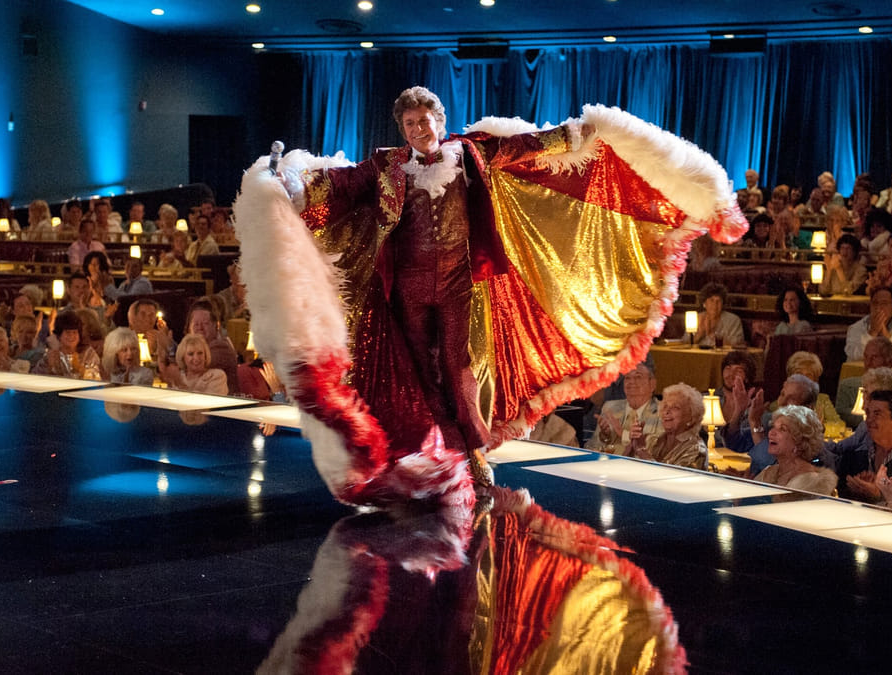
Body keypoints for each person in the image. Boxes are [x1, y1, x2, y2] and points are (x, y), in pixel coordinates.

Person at [237, 85, 745, 505]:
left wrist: (574, 135)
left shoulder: (469, 153)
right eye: (409, 124)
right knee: (420, 372)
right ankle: (436, 455)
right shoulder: (387, 165)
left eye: (424, 120)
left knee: (460, 369)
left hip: (458, 283)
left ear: (439, 120)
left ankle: (474, 453)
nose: (418, 130)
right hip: (407, 287)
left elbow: (525, 147)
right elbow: (343, 185)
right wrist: (292, 188)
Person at [830, 389, 892, 503]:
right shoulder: (852, 455)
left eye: (877, 414)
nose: (869, 420)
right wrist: (856, 489)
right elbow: (840, 495)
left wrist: (878, 495)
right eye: (868, 413)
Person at [835, 340, 892, 428]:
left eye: (874, 357)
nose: (868, 362)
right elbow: (841, 415)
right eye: (866, 357)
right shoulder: (848, 385)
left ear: (890, 361)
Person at [755, 405, 837, 495]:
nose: (771, 433)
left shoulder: (809, 482)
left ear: (800, 441)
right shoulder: (769, 472)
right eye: (773, 427)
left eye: (782, 429)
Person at [624, 383, 708, 470]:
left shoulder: (696, 449)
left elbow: (670, 477)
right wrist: (633, 443)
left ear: (691, 417)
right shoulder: (652, 440)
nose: (666, 411)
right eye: (665, 406)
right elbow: (624, 467)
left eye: (675, 407)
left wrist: (642, 451)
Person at [584, 362, 661, 455]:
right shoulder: (610, 407)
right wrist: (604, 436)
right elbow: (592, 446)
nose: (631, 382)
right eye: (627, 378)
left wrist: (624, 434)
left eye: (638, 377)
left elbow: (658, 450)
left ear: (652, 384)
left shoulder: (662, 411)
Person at [844, 287, 892, 363]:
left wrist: (886, 335)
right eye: (875, 303)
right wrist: (872, 333)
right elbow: (855, 356)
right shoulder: (855, 328)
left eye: (884, 303)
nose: (878, 308)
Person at [182, 300, 239, 394]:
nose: (200, 328)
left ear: (216, 325)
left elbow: (186, 366)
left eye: (205, 323)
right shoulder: (192, 347)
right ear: (189, 328)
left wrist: (166, 349)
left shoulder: (221, 348)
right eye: (196, 324)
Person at [693, 282, 744, 347]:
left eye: (719, 301)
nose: (715, 305)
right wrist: (700, 334)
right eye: (711, 300)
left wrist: (711, 335)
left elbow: (738, 344)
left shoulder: (733, 320)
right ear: (704, 303)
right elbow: (685, 343)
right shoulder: (695, 319)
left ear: (723, 304)